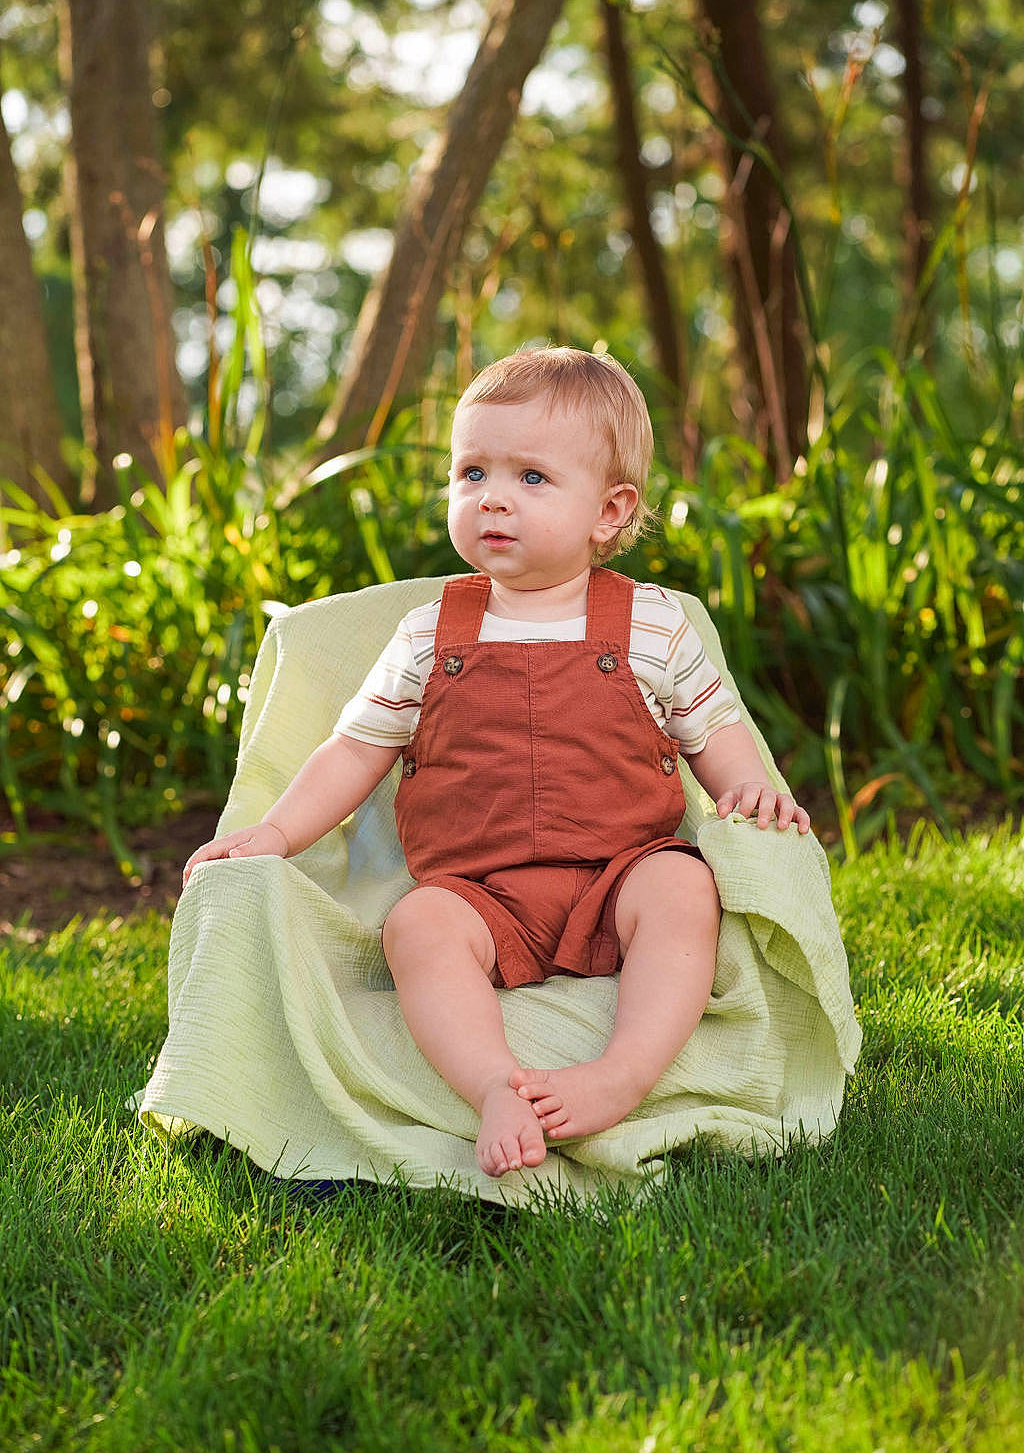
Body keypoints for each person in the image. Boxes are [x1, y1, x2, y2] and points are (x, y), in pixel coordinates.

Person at [183, 347, 810, 1181]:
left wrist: (752, 795)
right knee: (418, 925)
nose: (493, 498)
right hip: (480, 892)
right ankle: (494, 1089)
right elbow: (355, 749)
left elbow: (716, 733)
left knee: (685, 888)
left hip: (620, 872)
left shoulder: (654, 625)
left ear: (610, 511)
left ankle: (617, 1076)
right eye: (470, 471)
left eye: (532, 478)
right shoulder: (425, 632)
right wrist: (274, 830)